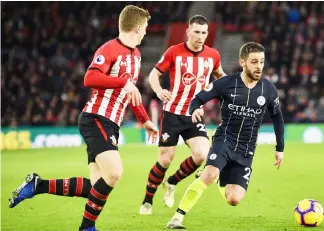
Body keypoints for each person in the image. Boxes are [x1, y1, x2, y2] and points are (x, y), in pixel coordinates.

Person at [8, 5, 158, 231]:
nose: (146, 31)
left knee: (96, 187)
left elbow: (130, 92)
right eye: (145, 27)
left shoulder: (136, 55)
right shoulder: (109, 49)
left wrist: (145, 119)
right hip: (96, 117)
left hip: (112, 123)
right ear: (137, 27)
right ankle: (86, 228)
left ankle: (37, 185)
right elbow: (90, 77)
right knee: (114, 172)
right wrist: (122, 82)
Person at [166, 42, 285, 229]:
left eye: (261, 62)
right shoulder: (226, 83)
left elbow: (278, 117)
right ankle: (177, 218)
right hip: (224, 140)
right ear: (243, 62)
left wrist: (280, 148)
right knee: (210, 174)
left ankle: (215, 177)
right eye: (254, 62)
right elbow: (198, 98)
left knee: (234, 199)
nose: (259, 66)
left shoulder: (268, 89)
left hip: (246, 149)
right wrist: (195, 108)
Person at [139, 15, 226, 215]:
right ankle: (147, 201)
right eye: (196, 32)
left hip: (194, 114)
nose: (200, 36)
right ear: (188, 31)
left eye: (204, 32)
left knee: (202, 154)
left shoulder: (213, 55)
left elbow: (221, 76)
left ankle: (171, 182)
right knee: (165, 159)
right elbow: (154, 74)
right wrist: (159, 90)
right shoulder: (174, 52)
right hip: (172, 113)